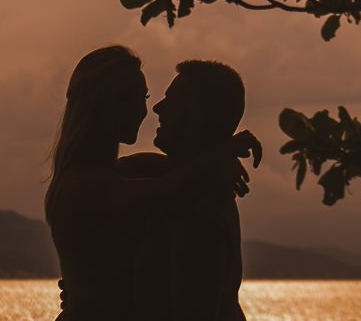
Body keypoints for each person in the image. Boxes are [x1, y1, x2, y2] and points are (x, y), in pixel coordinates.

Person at [44, 46, 257, 321]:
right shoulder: (85, 186)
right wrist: (223, 152)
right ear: (94, 105)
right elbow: (169, 187)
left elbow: (172, 173)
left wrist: (215, 158)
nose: (147, 108)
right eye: (125, 98)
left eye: (142, 96)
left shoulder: (127, 174)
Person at [124, 60, 250, 320]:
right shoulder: (193, 187)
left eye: (170, 100)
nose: (158, 108)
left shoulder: (196, 209)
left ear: (195, 117)